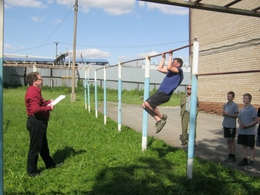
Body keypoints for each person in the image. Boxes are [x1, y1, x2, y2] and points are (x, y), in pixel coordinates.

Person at [25, 72, 62, 177]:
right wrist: (49, 108)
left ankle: (50, 164)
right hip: (36, 122)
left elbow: (39, 104)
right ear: (35, 81)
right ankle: (32, 172)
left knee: (43, 145)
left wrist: (48, 102)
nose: (42, 81)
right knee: (35, 148)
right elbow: (36, 109)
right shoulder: (33, 92)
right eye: (40, 79)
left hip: (40, 122)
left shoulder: (35, 91)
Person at [142, 51, 184, 133]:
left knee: (147, 103)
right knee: (144, 105)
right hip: (161, 92)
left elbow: (168, 67)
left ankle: (162, 117)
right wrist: (163, 58)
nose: (171, 63)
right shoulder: (171, 72)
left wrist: (171, 55)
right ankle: (159, 120)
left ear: (178, 65)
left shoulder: (179, 71)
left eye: (173, 62)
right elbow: (160, 68)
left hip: (165, 93)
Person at [236, 93, 258, 170]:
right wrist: (240, 123)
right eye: (243, 98)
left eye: (245, 98)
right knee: (244, 146)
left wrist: (247, 125)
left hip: (250, 132)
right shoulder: (242, 109)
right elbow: (238, 118)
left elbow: (256, 121)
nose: (244, 99)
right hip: (242, 131)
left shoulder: (252, 109)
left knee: (251, 147)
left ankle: (252, 161)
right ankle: (244, 159)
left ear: (249, 100)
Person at [222, 91, 239, 163]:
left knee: (232, 140)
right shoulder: (225, 105)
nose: (228, 97)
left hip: (232, 125)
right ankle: (229, 154)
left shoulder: (235, 105)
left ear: (233, 97)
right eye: (227, 96)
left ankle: (233, 155)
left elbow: (237, 115)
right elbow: (223, 114)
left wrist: (228, 114)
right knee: (227, 140)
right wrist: (224, 114)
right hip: (226, 124)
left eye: (229, 96)